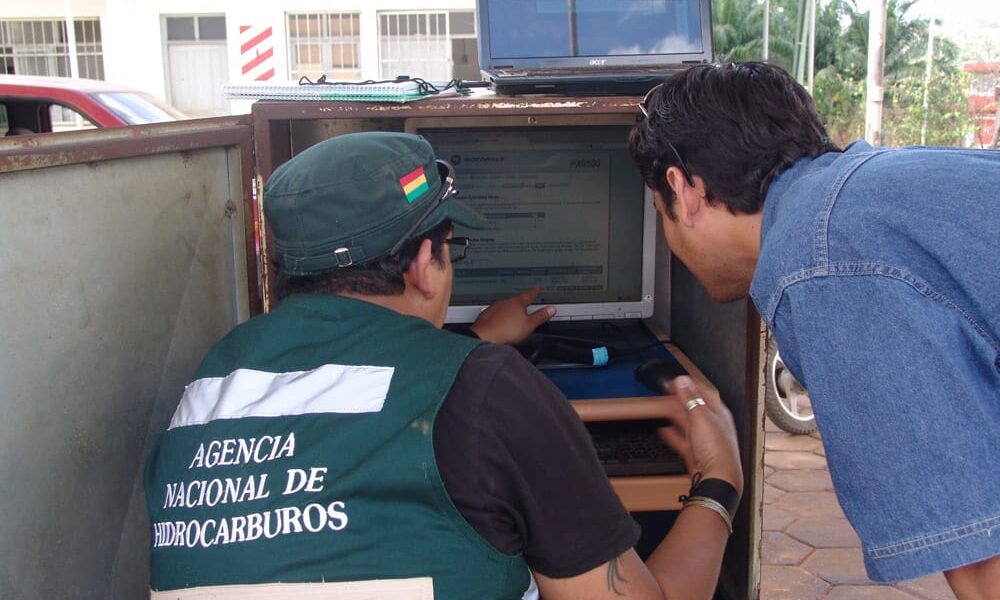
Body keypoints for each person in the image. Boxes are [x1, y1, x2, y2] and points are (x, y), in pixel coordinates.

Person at [145, 131, 743, 599]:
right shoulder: (491, 391)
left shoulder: (206, 388)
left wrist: (476, 338)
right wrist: (719, 482)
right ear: (425, 264)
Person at [629, 61, 1000, 599]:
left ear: (682, 191)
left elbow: (986, 568)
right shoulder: (867, 192)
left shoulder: (821, 263)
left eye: (659, 213)